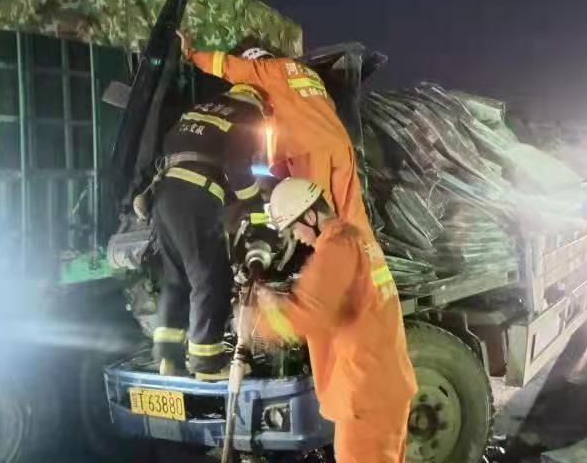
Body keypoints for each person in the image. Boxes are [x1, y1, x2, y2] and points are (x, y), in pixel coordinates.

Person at [256, 177, 417, 463]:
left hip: (364, 395)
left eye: (294, 227)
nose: (297, 237)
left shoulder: (336, 246)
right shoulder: (358, 238)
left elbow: (308, 315)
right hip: (384, 385)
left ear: (310, 216)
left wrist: (261, 318)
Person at [177, 32, 374, 242]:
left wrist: (190, 54)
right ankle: (368, 261)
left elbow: (225, 66)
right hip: (340, 144)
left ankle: (331, 260)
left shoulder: (266, 70)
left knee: (316, 220)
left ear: (255, 62)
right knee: (353, 217)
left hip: (305, 149)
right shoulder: (309, 75)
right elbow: (329, 106)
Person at [151, 83, 267, 380]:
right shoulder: (248, 114)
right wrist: (257, 212)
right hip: (195, 197)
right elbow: (238, 166)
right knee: (211, 279)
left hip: (164, 195)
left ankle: (168, 359)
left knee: (176, 280)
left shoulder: (201, 109)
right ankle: (207, 363)